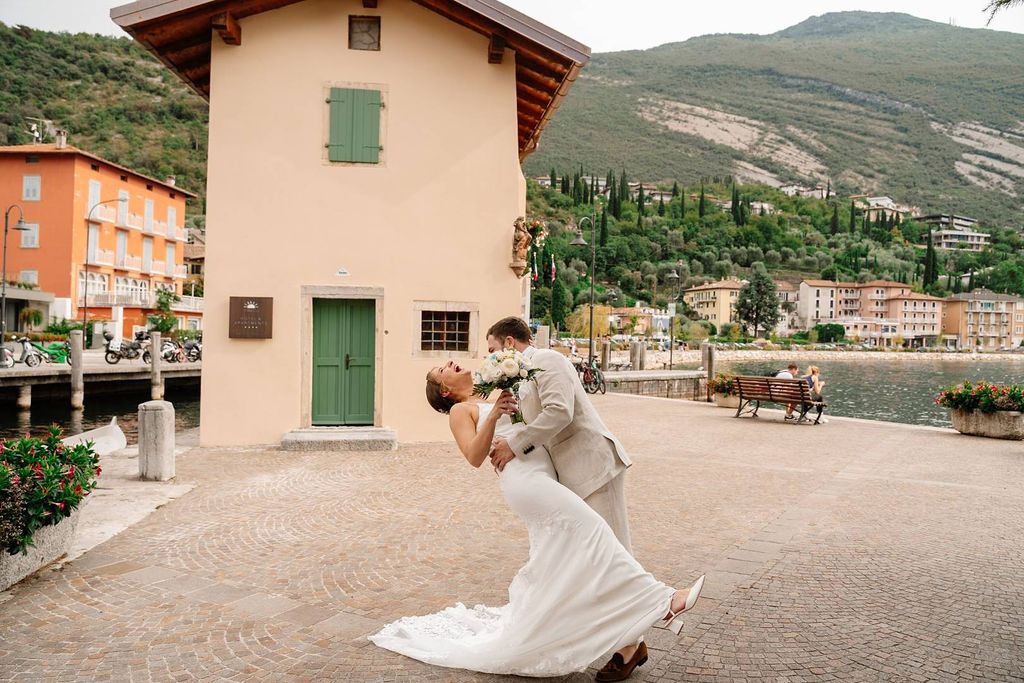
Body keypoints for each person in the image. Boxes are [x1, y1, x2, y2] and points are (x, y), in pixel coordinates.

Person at [369, 319, 704, 681]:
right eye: (442, 370)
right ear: (445, 391)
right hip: (527, 483)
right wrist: (496, 415)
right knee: (595, 535)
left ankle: (622, 637)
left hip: (557, 475)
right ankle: (666, 603)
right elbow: (474, 456)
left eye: (494, 352)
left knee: (576, 556)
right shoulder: (461, 410)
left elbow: (547, 418)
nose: (453, 364)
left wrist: (502, 408)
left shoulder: (508, 384)